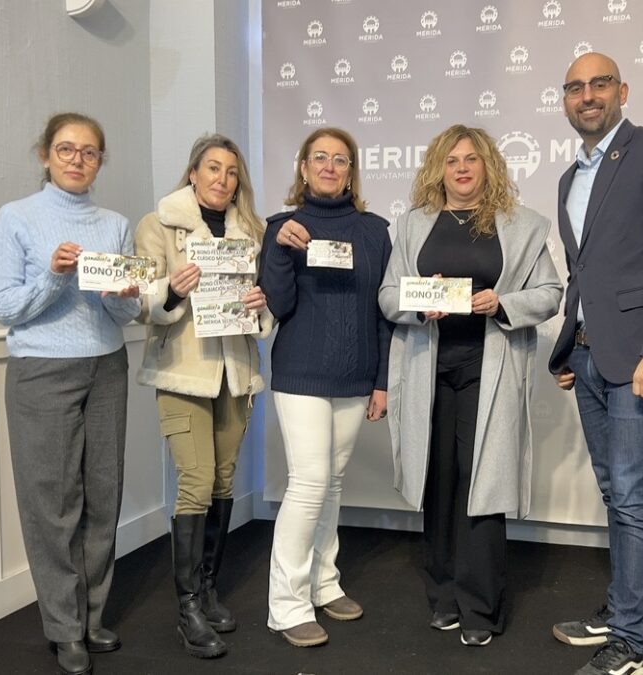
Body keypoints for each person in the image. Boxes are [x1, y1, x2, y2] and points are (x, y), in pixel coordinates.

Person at [548, 53, 643, 675]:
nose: (588, 95)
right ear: (565, 100)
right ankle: (619, 611)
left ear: (622, 91)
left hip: (641, 358)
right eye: (576, 87)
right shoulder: (569, 178)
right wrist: (571, 345)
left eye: (600, 83)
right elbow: (586, 273)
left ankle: (630, 647)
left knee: (636, 497)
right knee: (617, 493)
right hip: (589, 357)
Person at [379, 125, 562, 647]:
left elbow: (550, 292)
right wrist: (418, 305)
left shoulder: (522, 226)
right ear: (439, 167)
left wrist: (501, 303)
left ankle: (480, 608)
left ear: (489, 167)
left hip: (490, 364)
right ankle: (443, 598)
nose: (461, 168)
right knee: (437, 479)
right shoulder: (414, 225)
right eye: (451, 160)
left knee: (480, 483)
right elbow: (389, 296)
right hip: (427, 368)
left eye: (472, 159)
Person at [0, 112, 141, 675]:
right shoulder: (18, 218)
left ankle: (92, 617)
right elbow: (4, 305)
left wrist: (124, 294)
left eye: (89, 151)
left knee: (104, 496)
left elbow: (124, 312)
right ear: (45, 156)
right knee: (52, 504)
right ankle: (63, 627)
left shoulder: (116, 224)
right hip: (41, 370)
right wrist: (53, 274)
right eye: (66, 149)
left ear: (101, 160)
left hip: (107, 365)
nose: (77, 159)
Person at [134, 133, 271, 659]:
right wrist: (173, 288)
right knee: (195, 481)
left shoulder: (249, 233)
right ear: (192, 173)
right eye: (212, 168)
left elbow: (260, 314)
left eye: (231, 172)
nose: (222, 179)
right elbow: (145, 304)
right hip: (184, 372)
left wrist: (259, 304)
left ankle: (208, 589)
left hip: (234, 371)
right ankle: (187, 608)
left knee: (223, 480)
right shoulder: (159, 224)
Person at [259, 127, 392, 647]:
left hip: (356, 375)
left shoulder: (375, 231)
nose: (330, 166)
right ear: (304, 166)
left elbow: (383, 312)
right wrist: (280, 252)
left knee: (332, 481)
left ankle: (323, 582)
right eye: (321, 157)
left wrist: (381, 381)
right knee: (310, 481)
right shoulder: (282, 227)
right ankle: (286, 605)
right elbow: (278, 304)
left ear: (352, 170)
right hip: (301, 374)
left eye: (341, 159)